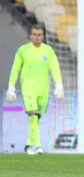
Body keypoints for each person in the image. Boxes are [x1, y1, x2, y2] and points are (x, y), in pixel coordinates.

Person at [5, 24, 64, 155]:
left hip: (43, 89)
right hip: (28, 88)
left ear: (42, 36)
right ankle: (38, 147)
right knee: (33, 115)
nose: (36, 37)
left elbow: (55, 67)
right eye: (34, 35)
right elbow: (15, 68)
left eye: (39, 35)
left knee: (36, 118)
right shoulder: (23, 50)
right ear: (31, 35)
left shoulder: (48, 51)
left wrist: (59, 84)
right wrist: (11, 86)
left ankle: (28, 145)